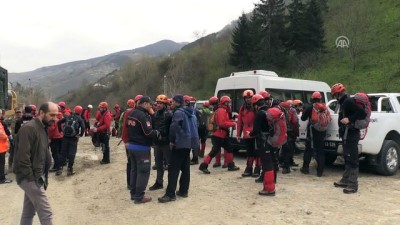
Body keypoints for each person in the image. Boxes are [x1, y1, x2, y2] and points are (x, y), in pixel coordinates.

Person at [13, 102, 58, 225]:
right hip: (30, 177)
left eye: (56, 115)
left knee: (28, 212)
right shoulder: (29, 129)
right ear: (42, 113)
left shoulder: (43, 128)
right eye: (52, 115)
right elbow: (23, 157)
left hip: (36, 176)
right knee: (46, 212)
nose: (55, 118)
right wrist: (32, 179)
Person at [158, 94, 196, 203]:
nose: (171, 103)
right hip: (188, 144)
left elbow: (174, 127)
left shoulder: (178, 113)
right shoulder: (190, 112)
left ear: (178, 102)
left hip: (179, 144)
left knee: (173, 169)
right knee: (185, 168)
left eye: (173, 101)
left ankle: (170, 194)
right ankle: (184, 191)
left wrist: (172, 140)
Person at [331, 83, 366, 194]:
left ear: (337, 94)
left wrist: (349, 119)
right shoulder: (343, 102)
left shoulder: (348, 101)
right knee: (347, 157)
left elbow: (362, 113)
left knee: (352, 159)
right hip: (346, 134)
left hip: (351, 133)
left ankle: (353, 185)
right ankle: (345, 180)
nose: (334, 97)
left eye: (334, 95)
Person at [125, 96, 160, 204]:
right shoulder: (143, 116)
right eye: (150, 104)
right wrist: (157, 133)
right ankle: (139, 197)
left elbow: (127, 128)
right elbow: (148, 132)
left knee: (134, 170)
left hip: (132, 147)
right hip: (142, 148)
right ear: (144, 104)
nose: (151, 106)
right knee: (143, 171)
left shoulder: (131, 113)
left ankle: (133, 193)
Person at [199, 96, 240, 174]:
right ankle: (204, 166)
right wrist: (232, 123)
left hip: (221, 134)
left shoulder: (223, 110)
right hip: (219, 135)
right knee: (214, 151)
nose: (229, 104)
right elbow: (221, 123)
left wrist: (232, 121)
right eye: (227, 102)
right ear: (224, 102)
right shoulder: (221, 110)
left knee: (229, 149)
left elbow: (225, 121)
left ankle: (231, 165)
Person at [249, 94, 276, 196]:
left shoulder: (260, 114)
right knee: (270, 163)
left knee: (267, 165)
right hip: (271, 141)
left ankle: (269, 189)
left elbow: (255, 131)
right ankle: (269, 186)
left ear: (256, 104)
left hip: (263, 142)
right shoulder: (268, 111)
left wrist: (250, 134)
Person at [300, 92, 329, 177]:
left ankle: (305, 168)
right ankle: (320, 172)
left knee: (308, 150)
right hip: (322, 132)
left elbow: (303, 118)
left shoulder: (310, 107)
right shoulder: (324, 107)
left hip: (312, 131)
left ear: (312, 99)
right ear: (320, 99)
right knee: (320, 151)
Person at [149, 94, 172, 191]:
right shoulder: (155, 114)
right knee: (158, 164)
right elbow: (153, 128)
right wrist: (153, 141)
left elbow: (172, 129)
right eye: (157, 103)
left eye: (160, 103)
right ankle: (159, 182)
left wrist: (171, 141)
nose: (158, 105)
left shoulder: (170, 114)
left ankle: (171, 183)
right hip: (158, 143)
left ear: (165, 104)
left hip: (166, 143)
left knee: (170, 164)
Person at [56, 105, 85, 176]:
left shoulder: (67, 116)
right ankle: (69, 170)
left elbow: (58, 122)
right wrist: (80, 135)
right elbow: (83, 127)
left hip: (65, 137)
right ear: (80, 112)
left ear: (74, 110)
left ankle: (59, 168)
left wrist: (61, 131)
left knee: (63, 153)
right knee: (72, 153)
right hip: (74, 138)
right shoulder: (80, 119)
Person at [237, 90, 258, 177]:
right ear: (244, 99)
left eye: (250, 98)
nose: (248, 99)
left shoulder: (256, 108)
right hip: (246, 133)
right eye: (247, 98)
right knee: (249, 152)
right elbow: (239, 123)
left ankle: (257, 169)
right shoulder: (242, 108)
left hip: (255, 133)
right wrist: (238, 134)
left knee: (256, 151)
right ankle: (249, 168)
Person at [120, 99, 136, 189]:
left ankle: (130, 183)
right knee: (133, 163)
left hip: (129, 141)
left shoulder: (125, 113)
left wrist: (124, 139)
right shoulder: (138, 113)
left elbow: (122, 126)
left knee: (130, 162)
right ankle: (132, 183)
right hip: (133, 141)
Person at [0, 109, 12, 184]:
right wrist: (7, 137)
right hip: (1, 148)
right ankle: (2, 179)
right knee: (1, 164)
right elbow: (1, 134)